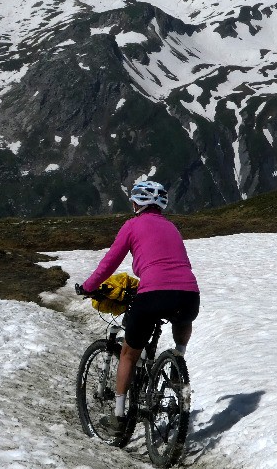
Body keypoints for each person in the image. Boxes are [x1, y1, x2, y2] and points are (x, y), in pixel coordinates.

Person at [76, 178, 200, 433]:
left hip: (153, 293)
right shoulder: (172, 227)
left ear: (136, 203)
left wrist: (88, 287)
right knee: (181, 317)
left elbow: (109, 262)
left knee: (129, 354)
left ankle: (119, 419)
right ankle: (178, 361)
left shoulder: (132, 226)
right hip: (189, 294)